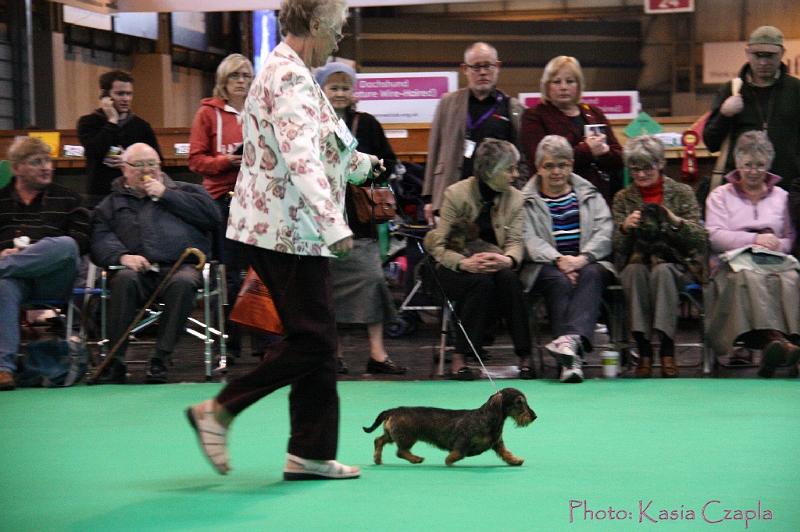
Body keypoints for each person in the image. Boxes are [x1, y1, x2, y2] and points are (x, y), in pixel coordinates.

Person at [186, 0, 384, 481]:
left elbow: (318, 145)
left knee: (312, 336)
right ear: (315, 24)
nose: (339, 39)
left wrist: (361, 167)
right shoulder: (290, 77)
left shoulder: (290, 72)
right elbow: (300, 160)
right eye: (336, 29)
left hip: (290, 230)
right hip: (288, 231)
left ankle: (310, 453)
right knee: (315, 339)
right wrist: (334, 225)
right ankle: (220, 410)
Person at [90, 143, 221, 384]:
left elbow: (213, 217)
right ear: (124, 169)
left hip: (183, 267)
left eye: (151, 163)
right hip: (137, 270)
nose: (145, 169)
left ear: (160, 166)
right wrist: (122, 256)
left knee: (183, 282)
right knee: (124, 279)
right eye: (138, 165)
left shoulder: (187, 190)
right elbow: (100, 237)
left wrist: (166, 195)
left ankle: (161, 358)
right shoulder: (110, 203)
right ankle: (115, 360)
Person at [315, 61, 406, 375]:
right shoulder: (311, 122)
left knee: (373, 281)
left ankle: (378, 354)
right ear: (321, 89)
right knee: (326, 291)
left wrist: (369, 170)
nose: (340, 93)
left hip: (360, 220)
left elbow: (390, 162)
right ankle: (334, 355)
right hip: (321, 221)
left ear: (353, 91)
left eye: (345, 87)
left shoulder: (366, 123)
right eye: (334, 87)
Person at [188, 53, 274, 361]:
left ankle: (264, 342)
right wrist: (227, 161)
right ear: (223, 82)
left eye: (247, 76)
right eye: (235, 76)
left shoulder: (262, 112)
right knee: (230, 275)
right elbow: (195, 160)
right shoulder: (207, 114)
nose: (242, 81)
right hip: (222, 200)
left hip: (259, 201)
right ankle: (231, 342)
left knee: (262, 272)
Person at [424, 138, 532, 380]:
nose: (515, 175)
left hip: (494, 262)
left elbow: (515, 242)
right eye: (509, 169)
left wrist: (508, 260)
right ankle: (460, 358)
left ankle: (525, 356)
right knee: (479, 283)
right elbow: (438, 246)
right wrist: (463, 263)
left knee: (509, 280)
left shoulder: (516, 198)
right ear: (488, 171)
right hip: (452, 265)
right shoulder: (455, 194)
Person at [520, 135, 615, 384]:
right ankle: (572, 356)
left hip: (588, 262)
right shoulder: (525, 200)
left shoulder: (590, 195)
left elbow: (604, 232)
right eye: (549, 166)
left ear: (571, 165)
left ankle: (568, 347)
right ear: (538, 167)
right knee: (558, 281)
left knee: (593, 273)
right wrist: (559, 259)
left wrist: (581, 260)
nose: (556, 172)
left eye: (562, 165)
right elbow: (527, 239)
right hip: (545, 266)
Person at [705, 131, 799, 378]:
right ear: (737, 163)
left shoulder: (783, 197)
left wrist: (777, 245)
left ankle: (780, 346)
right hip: (732, 263)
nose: (754, 171)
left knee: (792, 279)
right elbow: (714, 236)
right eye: (748, 165)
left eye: (760, 165)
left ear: (769, 164)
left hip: (774, 260)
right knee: (750, 277)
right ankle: (775, 342)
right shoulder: (719, 196)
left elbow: (790, 239)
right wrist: (753, 239)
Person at [612, 136, 707, 378]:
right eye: (635, 169)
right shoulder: (623, 198)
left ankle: (667, 350)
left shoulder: (682, 192)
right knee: (634, 272)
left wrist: (676, 221)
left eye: (647, 168)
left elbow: (699, 239)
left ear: (661, 164)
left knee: (662, 272)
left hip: (676, 264)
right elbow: (616, 247)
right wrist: (624, 227)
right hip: (637, 262)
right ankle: (643, 350)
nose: (641, 175)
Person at [0, 137, 89, 391]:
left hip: (55, 279)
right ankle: (4, 370)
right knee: (4, 284)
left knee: (65, 245)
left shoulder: (70, 199)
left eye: (48, 160)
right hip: (15, 280)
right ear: (16, 168)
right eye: (37, 161)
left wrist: (31, 253)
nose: (46, 167)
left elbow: (82, 242)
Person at [422, 42, 524, 225]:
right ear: (465, 69)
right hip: (451, 192)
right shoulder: (447, 103)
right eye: (476, 67)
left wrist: (520, 193)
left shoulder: (513, 108)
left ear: (498, 67)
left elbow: (521, 158)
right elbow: (434, 151)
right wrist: (429, 197)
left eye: (488, 66)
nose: (482, 72)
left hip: (496, 198)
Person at [703, 26, 800, 189]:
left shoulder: (796, 90)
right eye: (757, 55)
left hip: (788, 191)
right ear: (747, 52)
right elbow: (710, 143)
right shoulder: (730, 90)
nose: (763, 62)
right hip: (740, 192)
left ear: (782, 53)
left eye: (770, 56)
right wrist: (724, 114)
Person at [520, 56, 623, 206]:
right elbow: (540, 161)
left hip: (597, 200)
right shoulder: (534, 116)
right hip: (554, 201)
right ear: (546, 86)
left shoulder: (594, 113)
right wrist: (588, 150)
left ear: (579, 85)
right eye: (557, 82)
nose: (563, 87)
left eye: (570, 81)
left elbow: (620, 157)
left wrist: (603, 152)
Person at [77, 70, 162, 205]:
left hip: (136, 195)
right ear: (106, 96)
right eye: (120, 94)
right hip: (101, 194)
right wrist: (112, 121)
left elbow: (158, 160)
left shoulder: (141, 126)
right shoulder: (88, 122)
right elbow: (94, 151)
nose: (126, 99)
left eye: (129, 94)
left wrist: (128, 160)